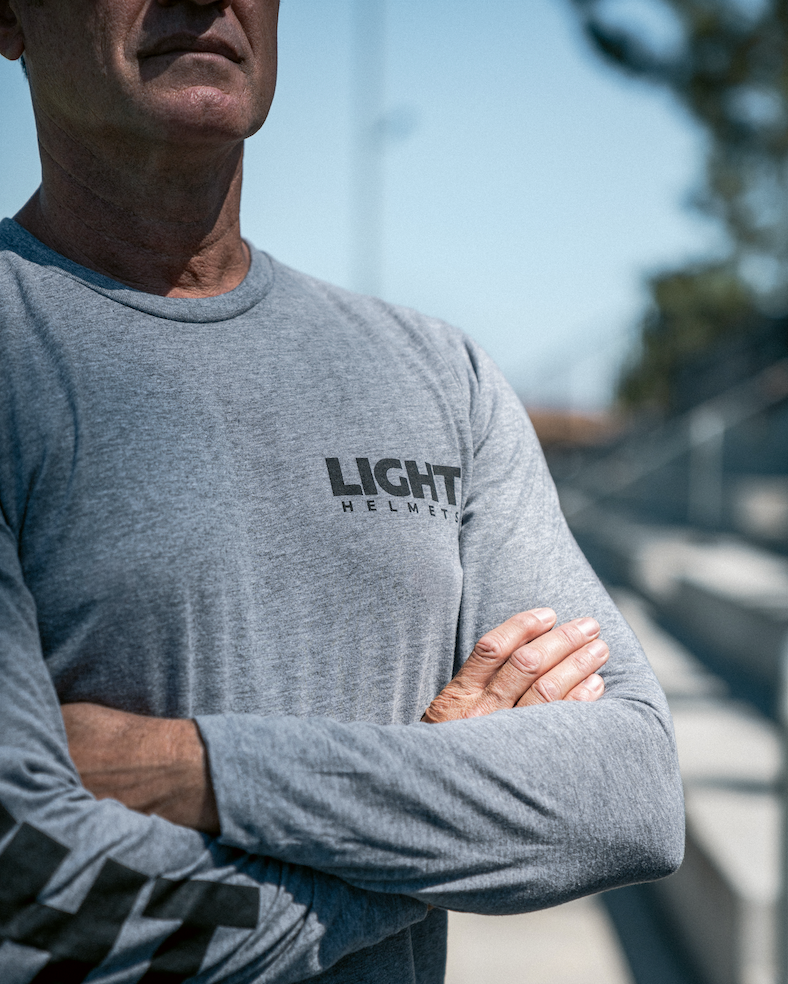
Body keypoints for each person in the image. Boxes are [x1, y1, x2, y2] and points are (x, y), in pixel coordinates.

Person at [0, 1, 684, 982]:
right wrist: (439, 825)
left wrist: (192, 770)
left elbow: (626, 793)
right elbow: (29, 900)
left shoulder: (440, 377)